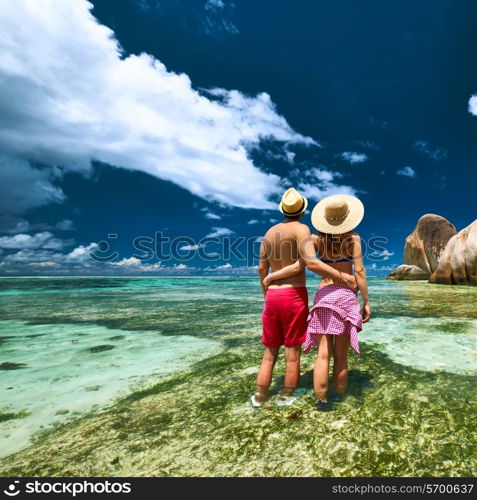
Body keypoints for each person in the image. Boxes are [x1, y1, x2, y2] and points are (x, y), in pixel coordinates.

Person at [251, 188, 358, 408]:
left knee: (269, 352)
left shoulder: (269, 233)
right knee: (292, 353)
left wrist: (267, 291)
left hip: (271, 296)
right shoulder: (302, 229)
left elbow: (262, 269)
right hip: (292, 295)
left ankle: (259, 396)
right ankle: (286, 395)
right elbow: (309, 263)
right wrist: (342, 276)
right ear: (303, 210)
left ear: (283, 209)